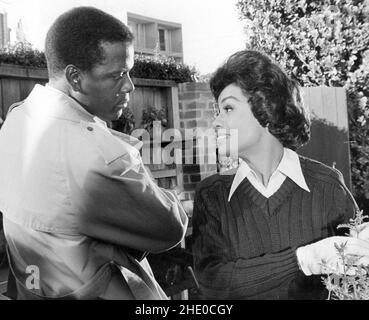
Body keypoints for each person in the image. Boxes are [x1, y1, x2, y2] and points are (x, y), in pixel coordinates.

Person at [0, 7, 188, 300]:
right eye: (118, 75)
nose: (130, 85)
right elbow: (170, 229)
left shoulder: (14, 122)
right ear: (75, 77)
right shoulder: (100, 158)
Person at [191, 50, 369, 300]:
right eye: (217, 111)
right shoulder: (212, 195)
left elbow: (357, 280)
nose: (216, 122)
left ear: (266, 110)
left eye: (228, 108)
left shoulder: (327, 185)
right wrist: (304, 260)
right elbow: (213, 284)